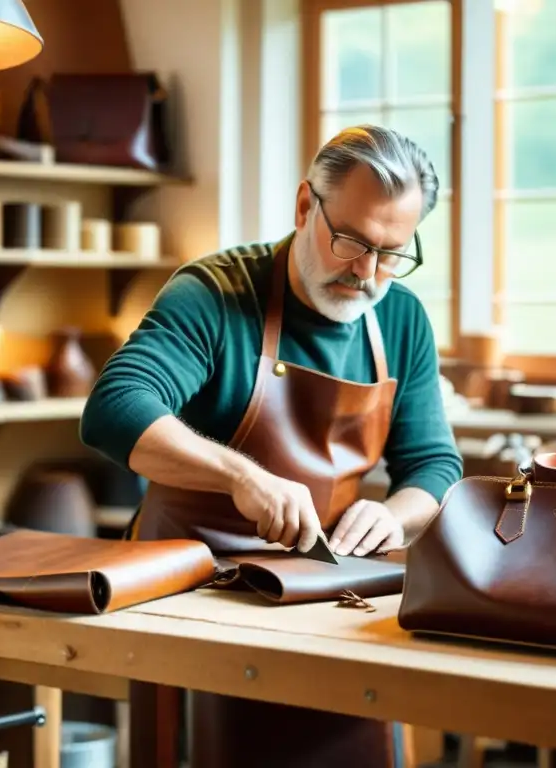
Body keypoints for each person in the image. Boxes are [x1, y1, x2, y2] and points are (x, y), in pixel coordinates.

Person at [80, 124, 463, 768]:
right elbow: (114, 410)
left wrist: (391, 514)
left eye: (392, 252)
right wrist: (242, 477)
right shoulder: (215, 294)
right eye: (350, 241)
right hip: (193, 596)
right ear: (305, 207)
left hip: (324, 590)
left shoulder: (402, 317)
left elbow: (434, 465)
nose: (368, 272)